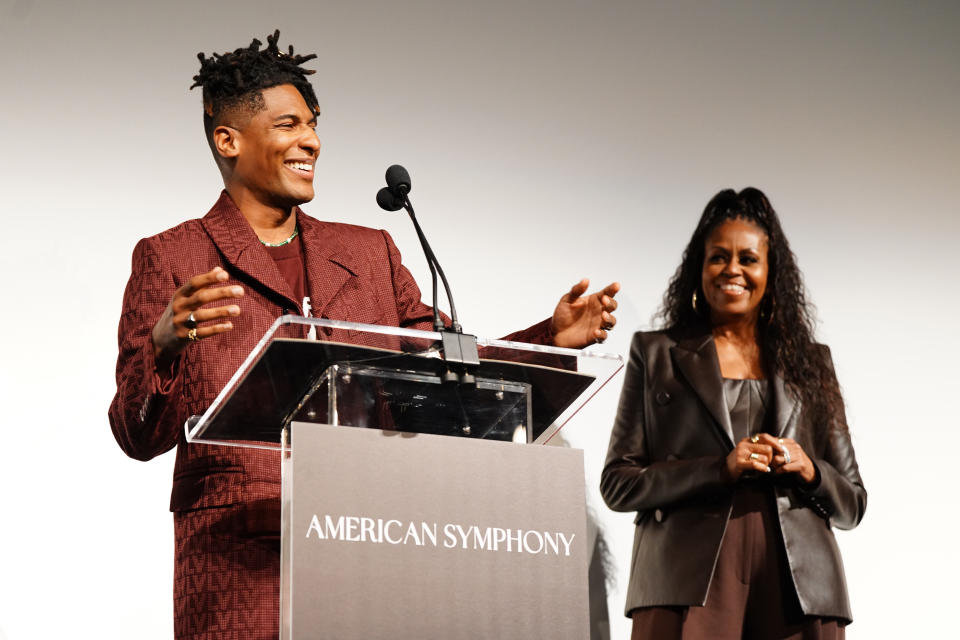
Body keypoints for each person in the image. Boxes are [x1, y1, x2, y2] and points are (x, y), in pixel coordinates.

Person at [108, 31, 620, 640]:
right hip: (240, 563)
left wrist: (549, 338)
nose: (312, 141)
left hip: (369, 545)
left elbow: (449, 374)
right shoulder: (173, 257)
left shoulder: (369, 251)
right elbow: (136, 434)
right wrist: (163, 347)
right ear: (228, 140)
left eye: (314, 124)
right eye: (289, 124)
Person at [600, 188, 866, 639]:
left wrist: (809, 469)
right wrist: (717, 470)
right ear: (699, 270)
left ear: (770, 272)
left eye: (748, 258)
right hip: (685, 580)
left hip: (800, 585)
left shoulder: (812, 362)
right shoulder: (657, 353)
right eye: (718, 257)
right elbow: (618, 484)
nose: (732, 270)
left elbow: (853, 504)